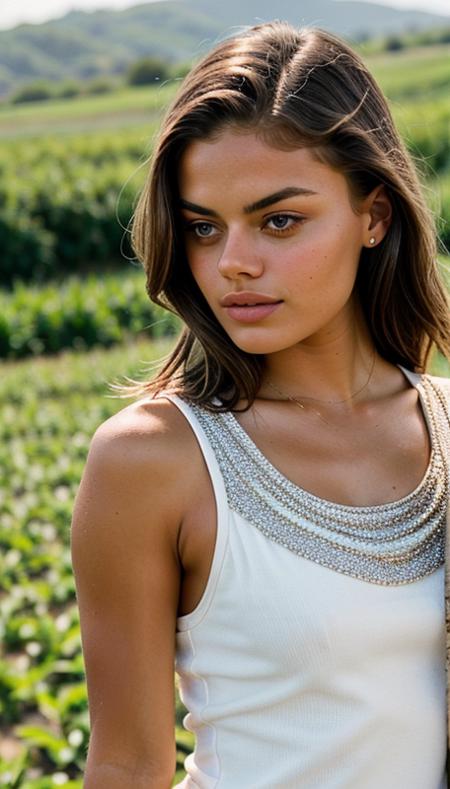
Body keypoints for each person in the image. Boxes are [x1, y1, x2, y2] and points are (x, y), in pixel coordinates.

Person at [70, 20, 450, 789]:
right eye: (204, 228)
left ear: (373, 216)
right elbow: (127, 765)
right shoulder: (152, 459)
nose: (233, 264)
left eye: (279, 220)